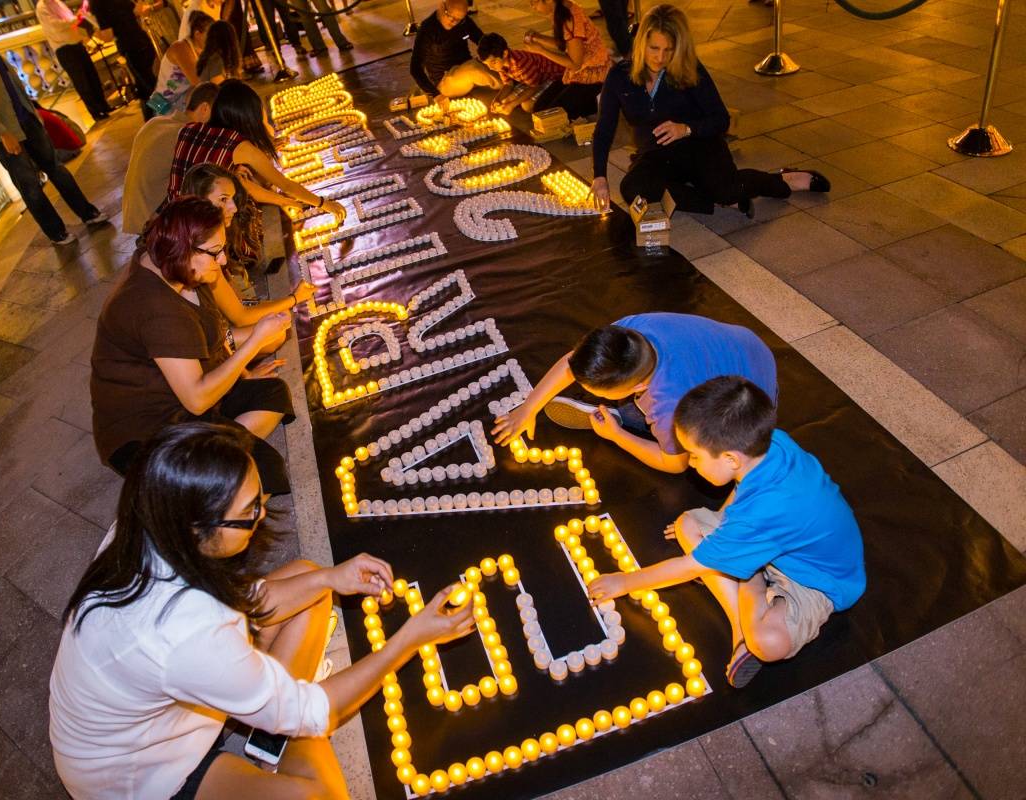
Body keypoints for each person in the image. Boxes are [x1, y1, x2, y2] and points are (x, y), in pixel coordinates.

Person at [51, 422, 476, 799]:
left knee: (312, 580)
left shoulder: (148, 524)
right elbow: (314, 711)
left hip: (177, 700)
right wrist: (410, 639)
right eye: (249, 510)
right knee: (323, 793)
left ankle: (269, 723)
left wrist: (332, 578)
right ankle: (273, 720)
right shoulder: (188, 630)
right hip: (143, 773)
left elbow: (241, 600)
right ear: (197, 529)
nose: (261, 515)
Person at [589, 376, 866, 688]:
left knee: (767, 643)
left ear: (731, 458)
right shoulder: (770, 443)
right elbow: (744, 489)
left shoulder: (767, 511)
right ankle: (743, 584)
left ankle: (742, 619)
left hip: (815, 579)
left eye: (694, 454)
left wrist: (625, 581)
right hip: (781, 541)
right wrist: (722, 525)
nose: (690, 463)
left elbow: (690, 566)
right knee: (687, 524)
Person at [90, 197, 296, 486]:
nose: (223, 260)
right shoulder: (156, 309)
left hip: (184, 399)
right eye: (215, 252)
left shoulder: (173, 268)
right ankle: (189, 481)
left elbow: (216, 335)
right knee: (264, 469)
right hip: (147, 432)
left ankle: (212, 460)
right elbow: (197, 400)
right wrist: (253, 344)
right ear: (181, 250)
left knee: (272, 391)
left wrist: (243, 373)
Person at [591, 4, 829, 217]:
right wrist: (599, 176)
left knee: (727, 190)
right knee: (632, 188)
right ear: (642, 43)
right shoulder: (620, 78)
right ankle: (713, 199)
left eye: (668, 50)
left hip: (699, 145)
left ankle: (782, 180)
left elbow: (721, 119)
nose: (660, 57)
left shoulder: (688, 69)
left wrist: (686, 129)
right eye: (654, 48)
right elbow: (604, 130)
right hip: (657, 154)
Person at [491, 312, 778, 475]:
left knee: (694, 446)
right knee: (644, 411)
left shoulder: (671, 404)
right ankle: (621, 412)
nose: (582, 387)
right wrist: (529, 408)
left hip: (751, 399)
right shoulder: (630, 334)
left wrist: (618, 437)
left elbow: (675, 464)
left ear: (640, 387)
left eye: (596, 391)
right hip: (744, 344)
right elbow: (571, 362)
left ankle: (624, 420)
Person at [0, 0, 105, 245]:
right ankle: (57, 232)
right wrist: (2, 133)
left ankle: (88, 213)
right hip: (4, 133)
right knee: (30, 185)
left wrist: (32, 111)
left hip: (26, 120)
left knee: (56, 168)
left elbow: (10, 83)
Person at [167, 80, 347, 220]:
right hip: (199, 224)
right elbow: (285, 185)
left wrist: (284, 201)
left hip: (173, 214)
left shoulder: (188, 129)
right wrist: (323, 203)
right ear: (246, 119)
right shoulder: (237, 145)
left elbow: (244, 185)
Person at [122, 81, 220, 235]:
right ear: (205, 108)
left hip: (134, 214)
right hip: (155, 223)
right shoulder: (187, 135)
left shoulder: (156, 122)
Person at [180, 162, 269, 298]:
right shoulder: (202, 251)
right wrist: (294, 298)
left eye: (232, 198)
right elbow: (240, 316)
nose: (234, 208)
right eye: (223, 199)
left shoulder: (221, 233)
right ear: (199, 201)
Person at [520, 0, 612, 121]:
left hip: (593, 76)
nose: (532, 7)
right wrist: (538, 38)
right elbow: (565, 44)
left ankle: (597, 104)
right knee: (540, 110)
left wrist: (541, 50)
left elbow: (575, 64)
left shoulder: (569, 18)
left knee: (553, 118)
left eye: (534, 2)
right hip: (577, 74)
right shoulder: (560, 10)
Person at [409, 0, 501, 113]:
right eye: (450, 16)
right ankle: (510, 85)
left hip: (465, 70)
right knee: (473, 68)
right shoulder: (427, 29)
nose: (454, 22)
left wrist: (499, 58)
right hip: (446, 81)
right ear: (442, 6)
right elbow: (415, 68)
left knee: (489, 61)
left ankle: (512, 78)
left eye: (459, 19)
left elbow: (482, 41)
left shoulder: (464, 22)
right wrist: (436, 95)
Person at [36, 0, 113, 120]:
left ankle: (103, 105)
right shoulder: (41, 8)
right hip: (64, 48)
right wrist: (74, 19)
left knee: (91, 75)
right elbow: (55, 25)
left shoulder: (58, 2)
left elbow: (70, 19)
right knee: (82, 81)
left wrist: (77, 18)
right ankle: (96, 112)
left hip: (76, 42)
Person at [88, 0, 164, 119]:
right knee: (144, 87)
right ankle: (151, 122)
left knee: (149, 87)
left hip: (129, 46)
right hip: (142, 40)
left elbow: (108, 36)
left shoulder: (97, 4)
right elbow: (137, 10)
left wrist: (96, 33)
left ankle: (167, 113)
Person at [476, 31, 563, 114]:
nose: (490, 68)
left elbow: (534, 87)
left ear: (504, 53)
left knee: (527, 105)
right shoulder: (501, 64)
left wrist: (512, 105)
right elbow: (508, 84)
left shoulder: (521, 64)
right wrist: (497, 99)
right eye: (487, 64)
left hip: (552, 77)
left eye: (493, 62)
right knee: (504, 101)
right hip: (531, 79)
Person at [150, 9, 213, 114]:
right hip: (163, 106)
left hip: (179, 101)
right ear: (197, 34)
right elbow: (200, 83)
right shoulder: (181, 48)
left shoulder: (200, 50)